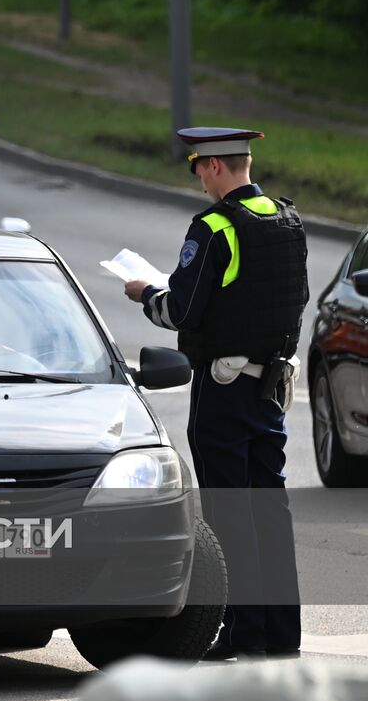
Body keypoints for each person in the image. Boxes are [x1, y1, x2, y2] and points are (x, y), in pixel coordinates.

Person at [122, 126, 308, 662]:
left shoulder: (215, 227)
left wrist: (144, 293)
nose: (199, 179)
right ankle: (280, 635)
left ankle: (243, 634)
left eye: (197, 168)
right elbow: (291, 300)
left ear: (213, 167)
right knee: (270, 510)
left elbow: (179, 311)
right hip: (271, 387)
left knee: (230, 514)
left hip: (224, 390)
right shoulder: (287, 218)